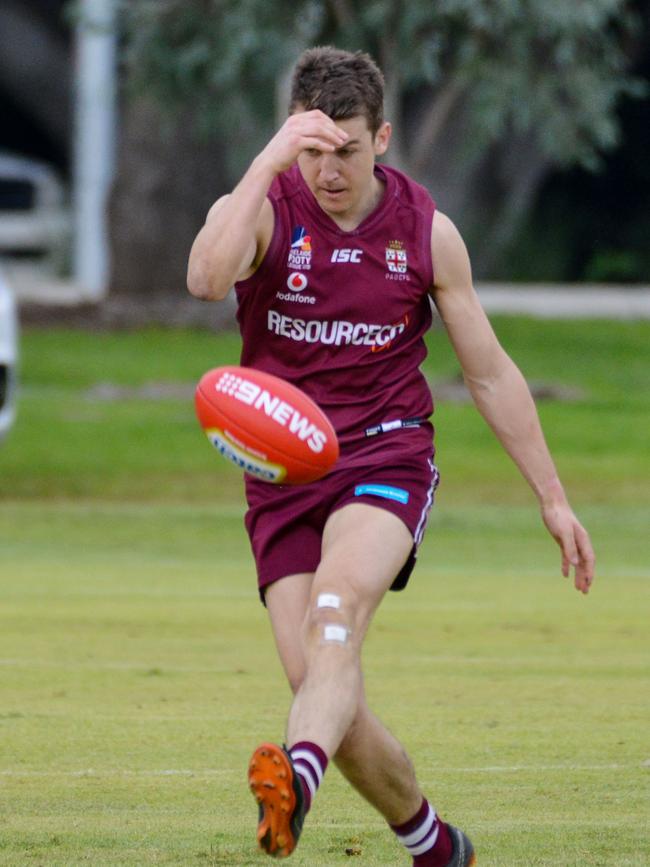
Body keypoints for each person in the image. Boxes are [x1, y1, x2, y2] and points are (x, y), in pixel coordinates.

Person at [187, 46, 595, 866]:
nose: (328, 171)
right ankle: (435, 843)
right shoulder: (266, 207)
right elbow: (205, 278)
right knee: (321, 685)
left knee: (336, 608)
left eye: (346, 150)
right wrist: (270, 162)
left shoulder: (426, 233)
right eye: (312, 150)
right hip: (281, 477)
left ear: (382, 139)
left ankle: (293, 781)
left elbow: (487, 370)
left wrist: (552, 496)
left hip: (385, 455)